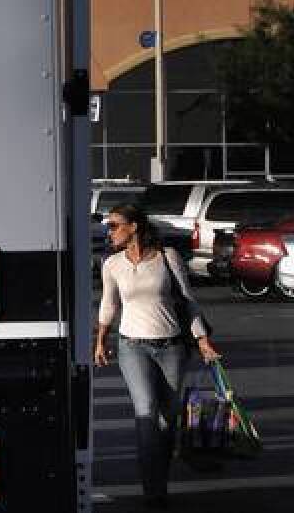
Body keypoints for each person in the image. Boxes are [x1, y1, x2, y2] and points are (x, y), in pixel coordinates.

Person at [94, 203, 220, 509]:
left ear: (134, 226)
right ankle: (154, 490)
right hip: (132, 347)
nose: (108, 232)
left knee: (167, 420)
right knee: (146, 412)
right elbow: (108, 305)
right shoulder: (111, 264)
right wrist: (100, 340)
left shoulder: (168, 258)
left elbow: (188, 301)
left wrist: (202, 340)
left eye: (114, 225)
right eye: (107, 226)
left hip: (172, 347)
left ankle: (159, 475)